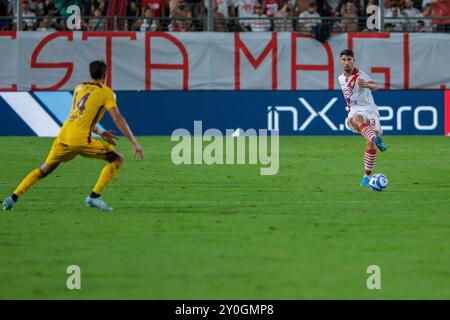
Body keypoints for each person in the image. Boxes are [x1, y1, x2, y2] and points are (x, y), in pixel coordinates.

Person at [2, 60, 144, 212]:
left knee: (45, 169)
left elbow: (78, 117)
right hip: (80, 139)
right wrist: (134, 142)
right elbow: (117, 118)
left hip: (64, 135)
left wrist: (101, 132)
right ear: (105, 74)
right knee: (117, 158)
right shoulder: (106, 92)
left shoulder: (79, 88)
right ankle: (94, 197)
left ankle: (12, 198)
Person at [338, 49, 387, 187]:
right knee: (356, 118)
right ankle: (375, 138)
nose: (346, 62)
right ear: (340, 61)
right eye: (344, 59)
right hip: (355, 111)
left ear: (354, 61)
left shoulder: (361, 75)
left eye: (349, 59)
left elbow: (376, 87)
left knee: (369, 144)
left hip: (370, 111)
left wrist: (367, 85)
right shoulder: (340, 78)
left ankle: (366, 176)